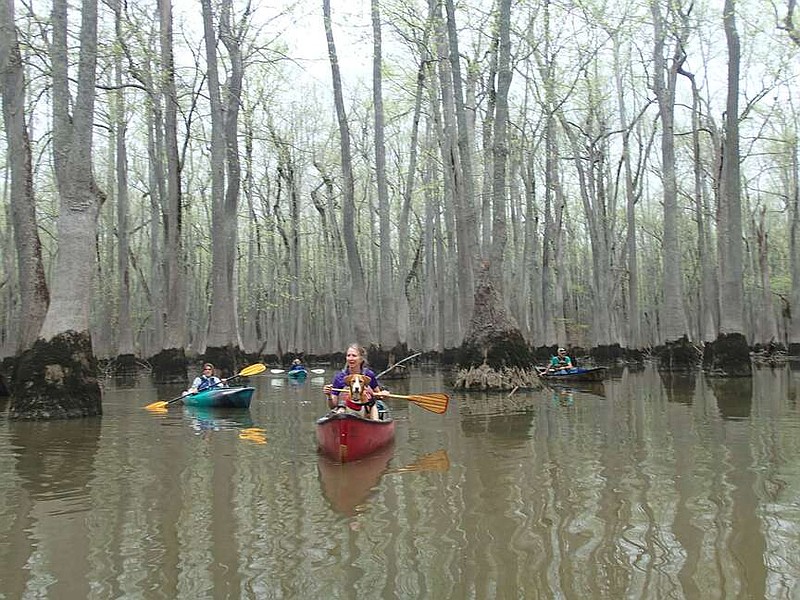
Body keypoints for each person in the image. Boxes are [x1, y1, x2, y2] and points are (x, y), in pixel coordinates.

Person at [323, 344, 387, 419]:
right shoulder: (340, 377)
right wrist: (329, 395)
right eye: (348, 355)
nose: (350, 358)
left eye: (354, 355)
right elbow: (333, 405)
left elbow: (379, 395)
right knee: (345, 393)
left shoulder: (369, 374)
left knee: (373, 402)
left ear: (361, 359)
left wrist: (382, 393)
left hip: (366, 407)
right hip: (345, 409)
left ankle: (375, 422)